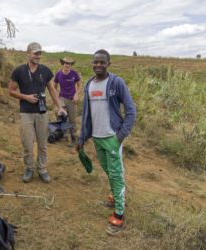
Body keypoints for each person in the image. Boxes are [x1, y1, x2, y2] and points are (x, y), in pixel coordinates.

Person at [76, 49, 136, 235]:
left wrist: (119, 137)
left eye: (102, 62)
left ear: (108, 63)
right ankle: (115, 196)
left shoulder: (116, 83)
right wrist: (82, 137)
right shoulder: (89, 84)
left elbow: (131, 111)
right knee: (108, 170)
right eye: (96, 62)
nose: (98, 65)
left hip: (112, 138)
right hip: (97, 138)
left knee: (116, 174)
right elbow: (87, 114)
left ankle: (119, 214)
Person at [9, 42, 67, 183]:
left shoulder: (45, 71)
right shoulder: (18, 71)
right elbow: (11, 91)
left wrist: (60, 107)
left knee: (43, 144)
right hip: (26, 113)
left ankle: (42, 169)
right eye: (35, 53)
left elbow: (52, 90)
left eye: (40, 53)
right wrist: (26, 97)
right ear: (28, 53)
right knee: (27, 144)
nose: (38, 56)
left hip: (42, 113)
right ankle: (29, 168)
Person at [54, 56, 81, 146]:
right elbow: (54, 87)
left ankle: (74, 139)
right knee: (61, 115)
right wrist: (57, 98)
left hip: (72, 99)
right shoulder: (58, 74)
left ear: (71, 65)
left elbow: (79, 86)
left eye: (69, 63)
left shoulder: (74, 74)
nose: (67, 65)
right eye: (65, 63)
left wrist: (76, 95)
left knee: (72, 120)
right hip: (62, 98)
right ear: (63, 64)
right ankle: (63, 134)